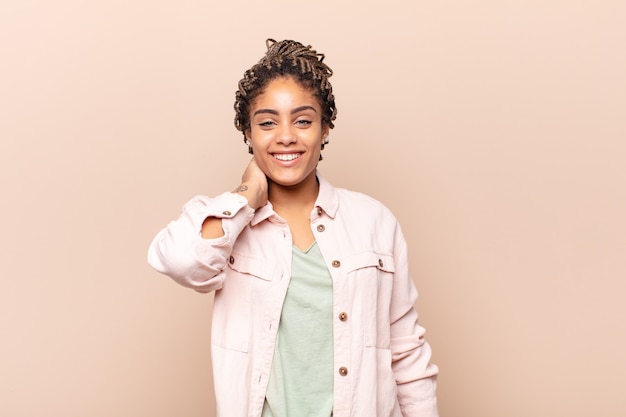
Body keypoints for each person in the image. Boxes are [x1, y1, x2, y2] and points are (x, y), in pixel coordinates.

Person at [147, 38, 439, 417]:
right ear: (248, 134)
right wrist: (246, 195)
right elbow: (180, 261)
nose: (286, 136)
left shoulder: (374, 222)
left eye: (303, 120)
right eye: (267, 123)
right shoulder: (226, 223)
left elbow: (406, 352)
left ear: (325, 128)